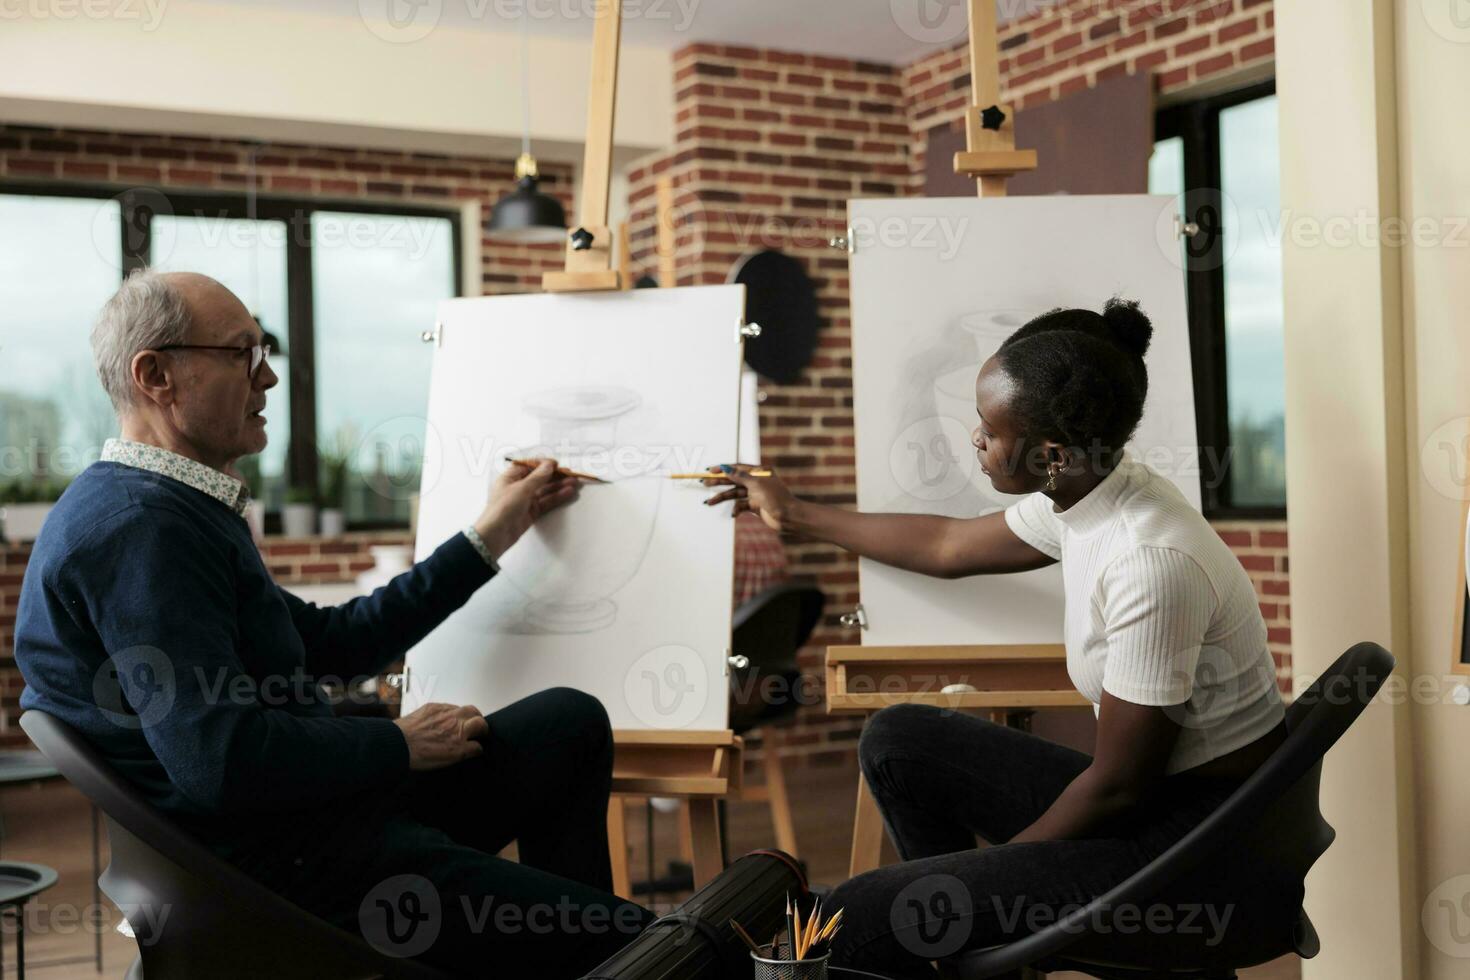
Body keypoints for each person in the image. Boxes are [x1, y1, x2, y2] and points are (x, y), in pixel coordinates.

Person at [15, 270, 653, 977]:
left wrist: (491, 534)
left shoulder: (168, 508)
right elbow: (219, 763)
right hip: (296, 872)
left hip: (311, 817)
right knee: (654, 946)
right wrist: (396, 742)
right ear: (156, 375)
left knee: (567, 722)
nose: (269, 379)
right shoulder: (142, 531)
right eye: (243, 354)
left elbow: (335, 643)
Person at [703, 299, 1288, 978]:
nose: (974, 438)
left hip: (1197, 848)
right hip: (1156, 801)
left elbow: (1120, 787)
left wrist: (969, 879)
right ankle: (955, 953)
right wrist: (794, 512)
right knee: (898, 741)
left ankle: (948, 942)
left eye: (988, 428)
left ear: (1050, 455)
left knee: (867, 912)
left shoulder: (1151, 560)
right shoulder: (1088, 492)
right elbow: (949, 544)